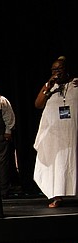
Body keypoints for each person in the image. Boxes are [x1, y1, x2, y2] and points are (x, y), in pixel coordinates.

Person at [33, 56, 78, 208]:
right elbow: (38, 104)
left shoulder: (75, 83)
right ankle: (56, 195)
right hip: (55, 134)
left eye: (59, 69)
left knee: (73, 160)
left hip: (72, 130)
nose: (56, 72)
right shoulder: (50, 86)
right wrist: (48, 87)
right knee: (57, 163)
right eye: (53, 70)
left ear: (67, 70)